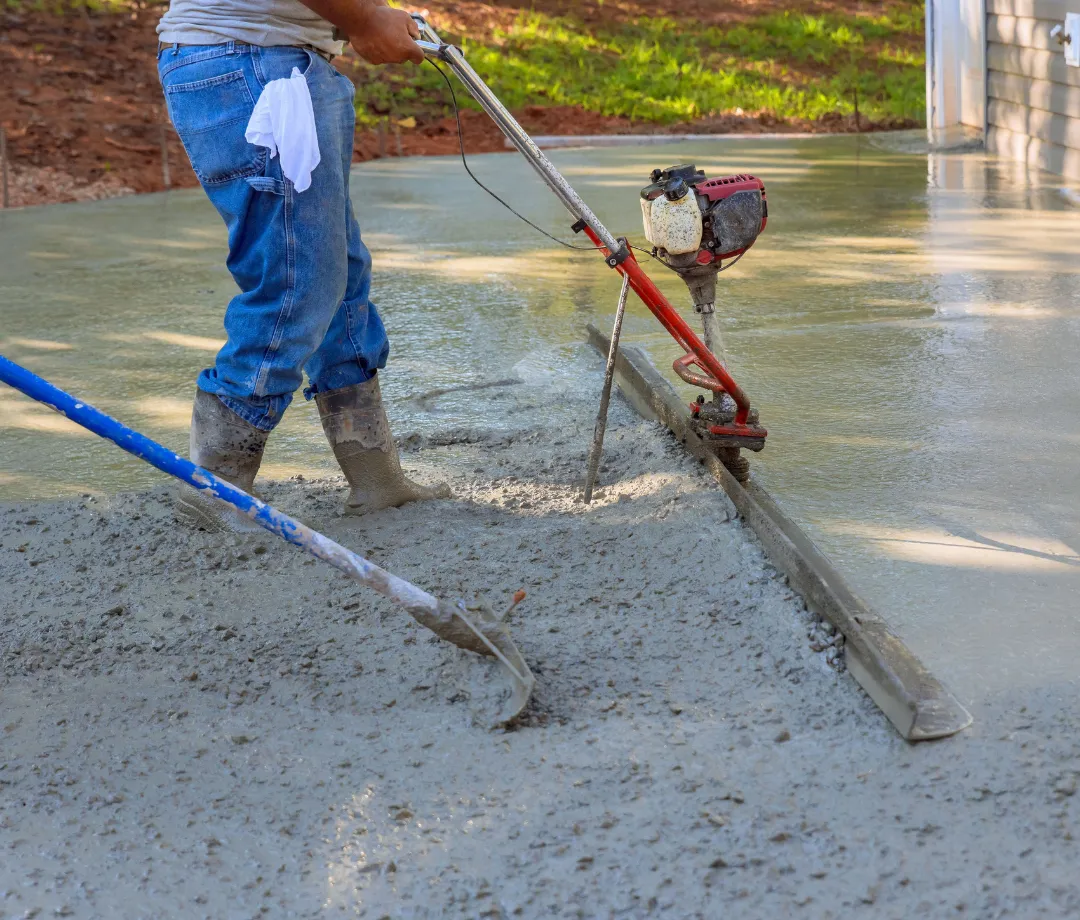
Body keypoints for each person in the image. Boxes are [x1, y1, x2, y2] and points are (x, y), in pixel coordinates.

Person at [155, 0, 448, 530]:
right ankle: (216, 485)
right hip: (247, 60)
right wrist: (364, 21)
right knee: (299, 277)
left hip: (278, 60)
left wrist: (369, 14)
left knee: (339, 268)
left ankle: (376, 478)